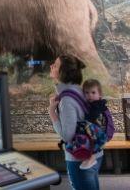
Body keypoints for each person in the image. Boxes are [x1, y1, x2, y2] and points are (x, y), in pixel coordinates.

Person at [48, 55, 103, 190]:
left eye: (55, 65)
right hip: (94, 152)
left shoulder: (66, 100)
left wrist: (52, 113)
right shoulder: (79, 90)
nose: (51, 67)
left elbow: (67, 135)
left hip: (80, 157)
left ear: (62, 72)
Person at [80, 79, 114, 170]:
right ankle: (90, 156)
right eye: (86, 93)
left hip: (100, 133)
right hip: (97, 132)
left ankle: (92, 157)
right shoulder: (92, 104)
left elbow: (91, 117)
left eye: (93, 92)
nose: (90, 95)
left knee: (91, 135)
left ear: (100, 95)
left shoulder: (98, 105)